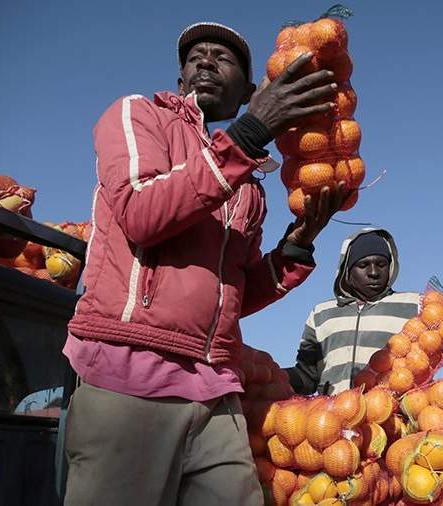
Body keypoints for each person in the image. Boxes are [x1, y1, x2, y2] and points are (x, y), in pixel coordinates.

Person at [62, 22, 347, 505]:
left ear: (250, 93)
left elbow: (232, 295)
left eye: (224, 58)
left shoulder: (247, 186)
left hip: (215, 390)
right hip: (130, 375)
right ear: (179, 82)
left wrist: (296, 247)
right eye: (196, 56)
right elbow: (141, 213)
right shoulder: (137, 115)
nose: (206, 62)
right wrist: (250, 134)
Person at [286, 228, 443, 395]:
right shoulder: (322, 314)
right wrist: (267, 377)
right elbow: (307, 377)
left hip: (395, 427)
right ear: (347, 270)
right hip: (332, 428)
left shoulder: (416, 306)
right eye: (363, 265)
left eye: (381, 264)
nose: (373, 272)